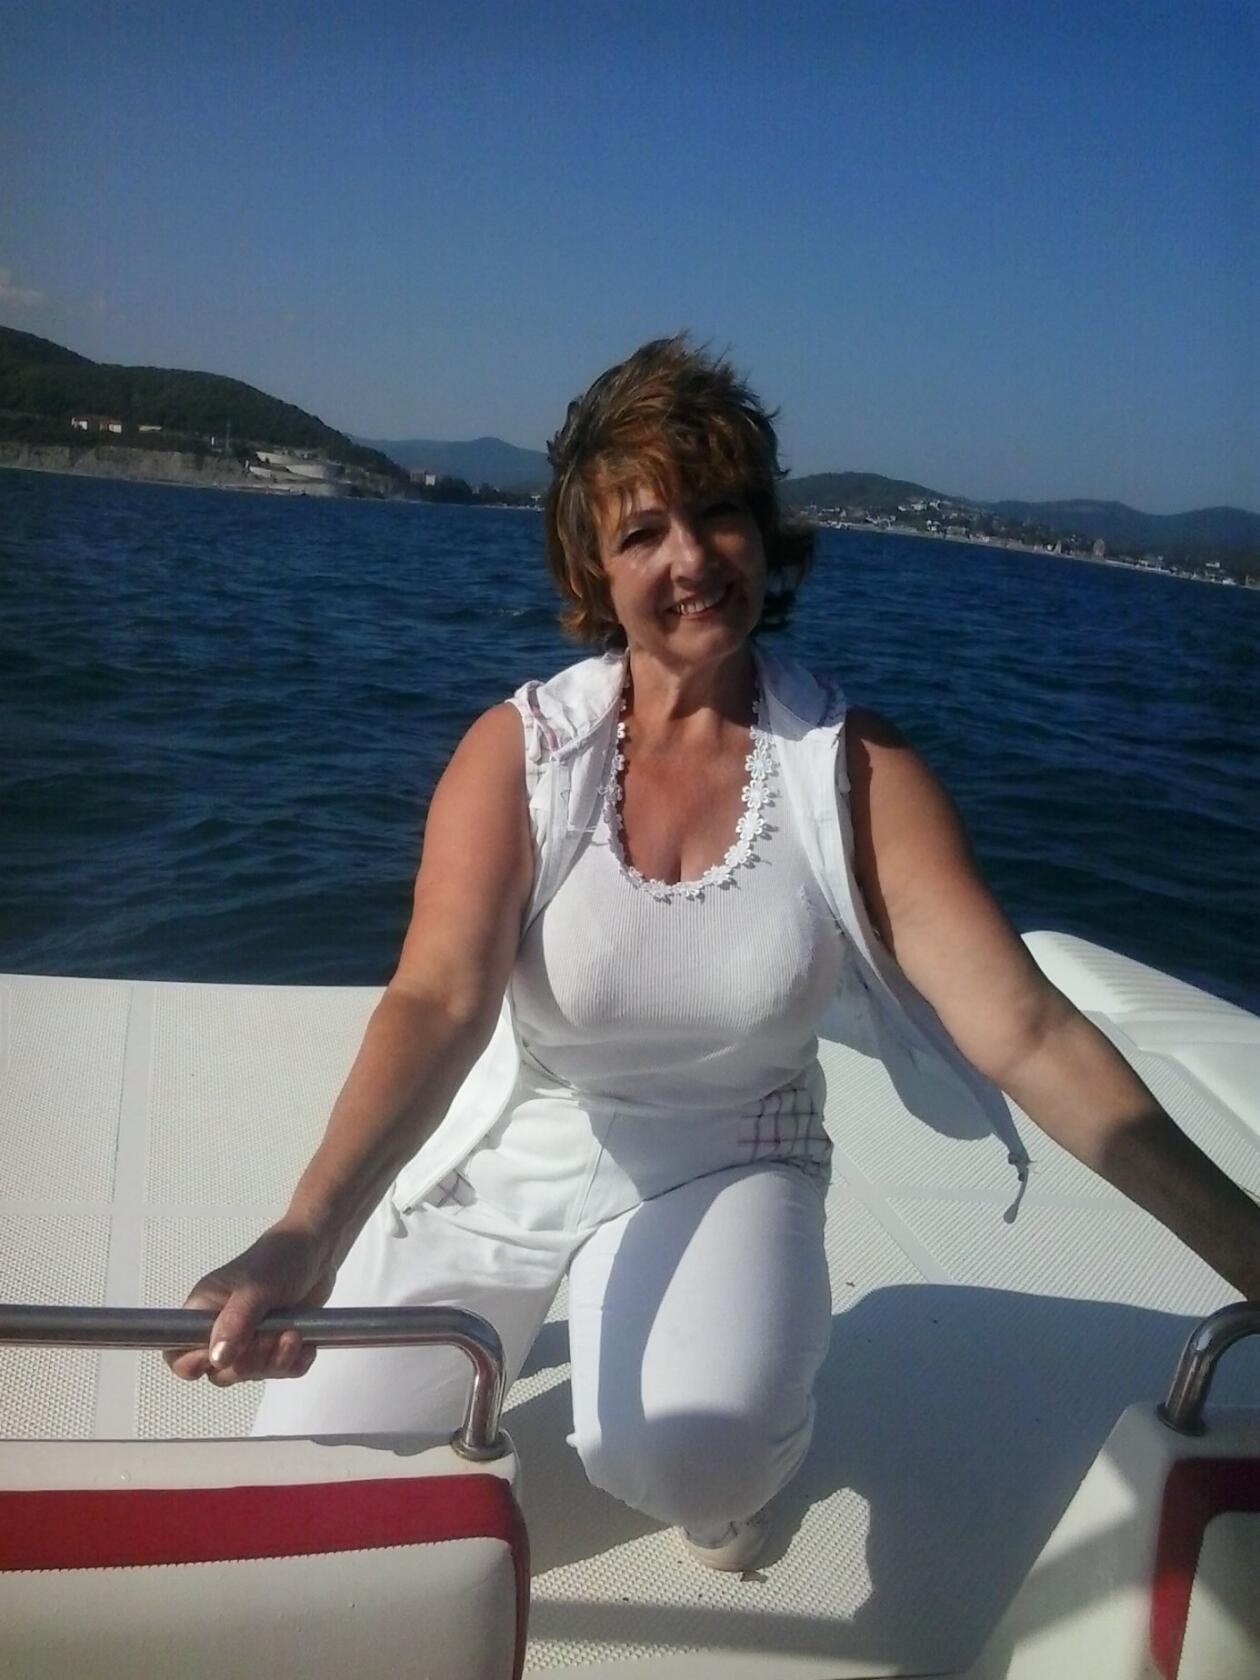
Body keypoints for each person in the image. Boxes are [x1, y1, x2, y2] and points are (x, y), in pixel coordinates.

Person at [168, 336, 1260, 1572]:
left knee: (690, 1456)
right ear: (593, 568)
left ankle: (745, 1469)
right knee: (311, 1477)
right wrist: (307, 1232)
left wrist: (1246, 1246)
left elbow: (1027, 1028)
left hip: (735, 1149)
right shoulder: (524, 753)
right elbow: (437, 997)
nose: (690, 558)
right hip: (525, 1133)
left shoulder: (852, 770)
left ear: (766, 534)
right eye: (643, 532)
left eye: (720, 513)